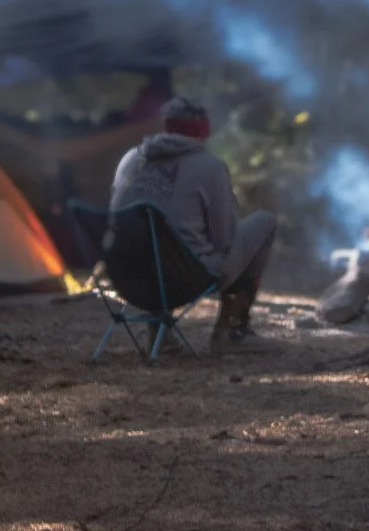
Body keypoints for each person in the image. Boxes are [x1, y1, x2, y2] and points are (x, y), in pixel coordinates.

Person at [109, 96, 275, 348]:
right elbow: (225, 239)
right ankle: (232, 330)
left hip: (127, 279)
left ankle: (159, 332)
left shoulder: (130, 159)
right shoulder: (209, 167)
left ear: (167, 126)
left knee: (152, 238)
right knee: (265, 221)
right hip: (184, 281)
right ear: (204, 131)